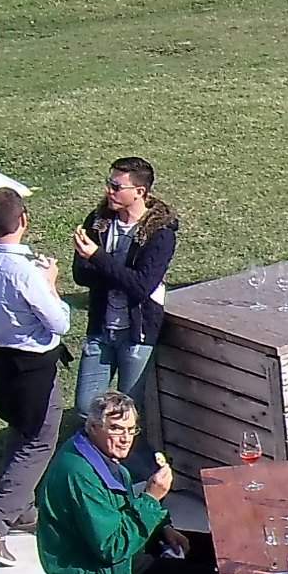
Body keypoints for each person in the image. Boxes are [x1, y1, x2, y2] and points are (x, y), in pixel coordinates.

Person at [34, 391, 221, 574]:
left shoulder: (95, 453)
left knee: (214, 550)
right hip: (91, 564)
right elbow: (112, 548)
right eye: (116, 429)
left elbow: (122, 505)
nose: (125, 438)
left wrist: (162, 526)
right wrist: (152, 497)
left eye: (131, 430)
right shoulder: (79, 474)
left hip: (109, 543)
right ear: (93, 427)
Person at [0, 186, 71, 567]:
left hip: (4, 362)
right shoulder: (25, 272)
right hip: (35, 366)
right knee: (39, 443)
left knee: (22, 434)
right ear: (23, 219)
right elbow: (60, 322)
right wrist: (51, 283)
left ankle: (22, 510)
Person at [71, 157, 178, 429]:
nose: (109, 191)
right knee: (86, 410)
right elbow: (80, 274)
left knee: (129, 416)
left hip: (136, 334)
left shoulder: (160, 234)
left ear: (139, 192)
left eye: (116, 186)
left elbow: (142, 287)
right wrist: (117, 273)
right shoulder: (98, 222)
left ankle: (132, 466)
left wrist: (98, 257)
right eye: (109, 183)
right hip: (101, 331)